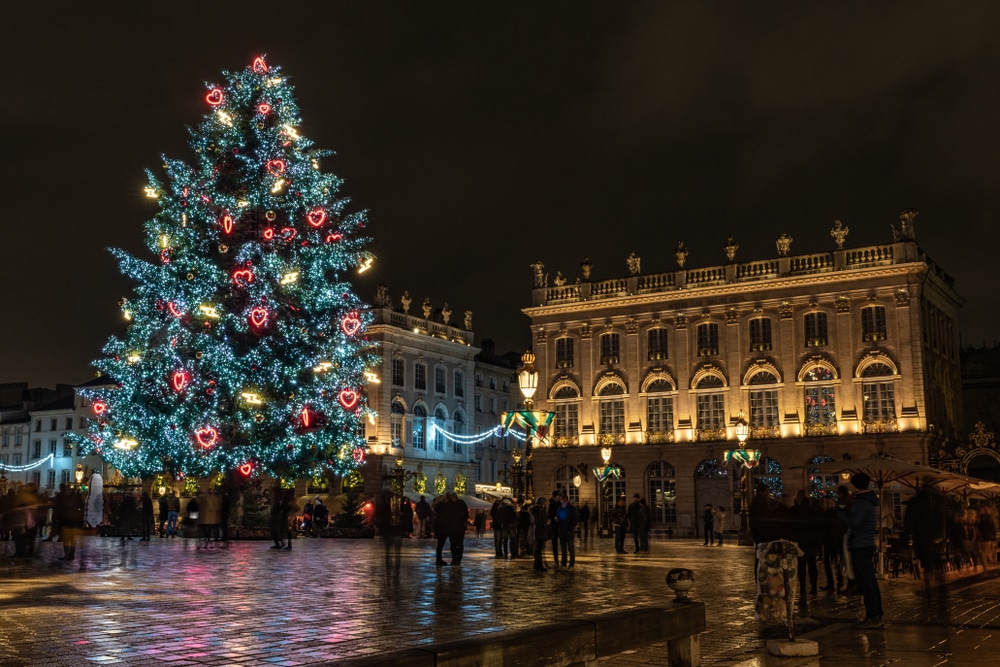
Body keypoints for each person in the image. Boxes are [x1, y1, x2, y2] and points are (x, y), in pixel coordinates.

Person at [846, 472, 884, 628]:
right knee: (870, 580)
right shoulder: (870, 501)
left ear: (855, 485)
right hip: (866, 543)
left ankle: (873, 616)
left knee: (865, 581)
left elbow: (855, 522)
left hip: (860, 544)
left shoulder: (861, 503)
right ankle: (876, 613)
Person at [373, 491, 402, 582]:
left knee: (388, 554)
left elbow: (377, 519)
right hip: (396, 531)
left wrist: (380, 528)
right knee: (396, 554)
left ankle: (389, 572)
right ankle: (396, 573)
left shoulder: (382, 507)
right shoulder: (397, 506)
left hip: (387, 532)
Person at [556, 493, 578, 568]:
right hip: (561, 531)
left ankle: (572, 563)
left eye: (564, 500)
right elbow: (558, 517)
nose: (563, 501)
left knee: (570, 548)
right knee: (563, 548)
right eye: (562, 500)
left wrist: (570, 529)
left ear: (567, 500)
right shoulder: (559, 509)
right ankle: (563, 562)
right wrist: (557, 520)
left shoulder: (571, 508)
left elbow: (574, 520)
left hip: (569, 531)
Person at [529, 499, 549, 571]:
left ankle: (537, 564)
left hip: (537, 531)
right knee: (539, 549)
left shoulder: (536, 510)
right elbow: (540, 521)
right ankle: (539, 565)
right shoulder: (539, 510)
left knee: (538, 548)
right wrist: (545, 523)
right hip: (540, 531)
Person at [547, 490, 563, 567]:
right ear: (553, 497)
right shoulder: (551, 504)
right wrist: (554, 518)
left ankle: (563, 561)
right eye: (556, 498)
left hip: (561, 525)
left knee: (563, 543)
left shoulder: (561, 504)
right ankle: (556, 560)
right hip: (554, 526)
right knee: (554, 544)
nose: (558, 499)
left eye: (558, 497)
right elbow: (549, 514)